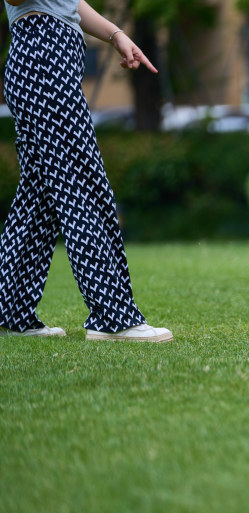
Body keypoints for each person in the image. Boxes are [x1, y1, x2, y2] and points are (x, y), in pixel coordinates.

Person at [0, 0, 172, 342]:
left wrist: (115, 34)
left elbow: (66, 2)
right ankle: (112, 316)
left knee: (40, 197)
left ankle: (10, 313)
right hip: (43, 53)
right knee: (82, 186)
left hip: (46, 54)